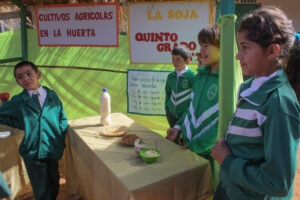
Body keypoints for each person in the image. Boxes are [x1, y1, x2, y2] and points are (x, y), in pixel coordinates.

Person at [211, 6, 300, 200]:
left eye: (245, 47)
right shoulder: (250, 87)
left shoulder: (279, 104)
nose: (237, 56)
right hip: (232, 190)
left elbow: (278, 183)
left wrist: (227, 160)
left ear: (272, 51)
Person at [0, 61, 68, 200]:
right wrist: (18, 122)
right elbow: (1, 114)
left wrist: (59, 138)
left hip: (52, 149)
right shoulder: (18, 101)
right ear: (17, 82)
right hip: (33, 153)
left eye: (29, 74)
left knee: (54, 183)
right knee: (41, 189)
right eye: (20, 77)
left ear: (38, 74)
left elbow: (62, 117)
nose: (25, 79)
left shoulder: (52, 96)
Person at [166, 24, 220, 183]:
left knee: (209, 190)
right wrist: (178, 128)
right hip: (189, 148)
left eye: (206, 46)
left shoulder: (227, 80)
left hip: (210, 156)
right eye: (200, 46)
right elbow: (191, 109)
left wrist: (195, 145)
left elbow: (224, 123)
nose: (201, 51)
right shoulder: (200, 77)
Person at [165, 45, 195, 129]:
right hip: (171, 115)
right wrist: (167, 109)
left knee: (182, 140)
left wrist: (188, 113)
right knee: (173, 139)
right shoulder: (170, 76)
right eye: (173, 59)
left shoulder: (192, 77)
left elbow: (194, 98)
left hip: (184, 116)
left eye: (178, 59)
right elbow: (168, 93)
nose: (175, 62)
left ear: (187, 61)